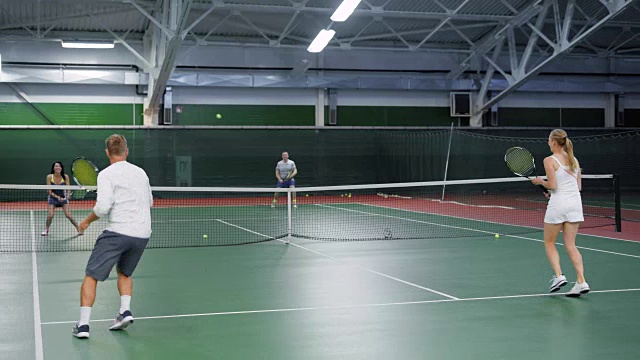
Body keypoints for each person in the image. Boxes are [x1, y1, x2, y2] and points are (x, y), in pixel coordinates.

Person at [72, 134, 153, 339]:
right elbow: (150, 202)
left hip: (118, 232)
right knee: (124, 273)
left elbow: (102, 208)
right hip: (142, 234)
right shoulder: (141, 173)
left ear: (107, 153)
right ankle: (124, 312)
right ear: (126, 151)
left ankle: (83, 326)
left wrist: (85, 222)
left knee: (91, 276)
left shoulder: (106, 174)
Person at [531, 129, 589, 297]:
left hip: (559, 205)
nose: (548, 143)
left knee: (549, 242)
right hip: (575, 204)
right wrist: (550, 191)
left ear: (554, 142)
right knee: (571, 244)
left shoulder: (549, 160)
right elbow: (577, 187)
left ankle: (558, 276)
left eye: (549, 140)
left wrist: (540, 182)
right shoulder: (574, 160)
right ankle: (581, 281)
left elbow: (554, 185)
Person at [42, 161, 81, 236]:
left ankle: (78, 229)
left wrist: (68, 195)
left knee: (68, 215)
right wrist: (57, 197)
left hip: (63, 198)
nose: (58, 167)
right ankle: (46, 230)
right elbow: (49, 191)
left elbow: (68, 188)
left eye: (59, 166)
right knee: (50, 215)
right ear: (53, 168)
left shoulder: (65, 176)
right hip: (53, 198)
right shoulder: (49, 177)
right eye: (56, 166)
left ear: (61, 168)